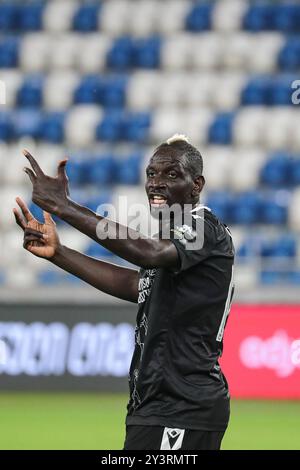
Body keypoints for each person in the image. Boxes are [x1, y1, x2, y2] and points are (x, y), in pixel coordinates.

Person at [13, 134, 235, 450]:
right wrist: (60, 254)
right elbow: (138, 285)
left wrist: (65, 207)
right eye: (151, 174)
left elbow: (149, 254)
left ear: (197, 184)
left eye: (171, 174)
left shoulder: (203, 226)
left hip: (184, 405)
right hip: (154, 404)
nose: (156, 182)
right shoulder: (172, 237)